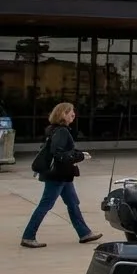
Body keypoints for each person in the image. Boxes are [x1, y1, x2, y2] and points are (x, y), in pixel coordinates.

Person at [22, 102, 102, 248]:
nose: (73, 114)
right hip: (57, 175)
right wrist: (79, 156)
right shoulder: (62, 131)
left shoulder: (53, 129)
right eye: (70, 111)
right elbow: (59, 154)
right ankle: (28, 236)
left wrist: (78, 154)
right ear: (63, 114)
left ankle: (84, 233)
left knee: (73, 203)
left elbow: (61, 151)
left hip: (63, 175)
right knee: (45, 205)